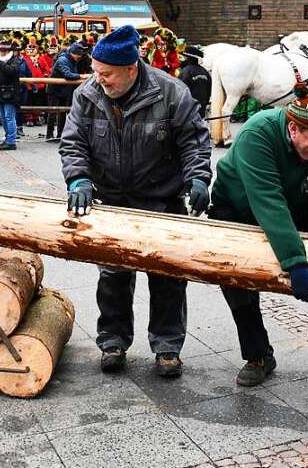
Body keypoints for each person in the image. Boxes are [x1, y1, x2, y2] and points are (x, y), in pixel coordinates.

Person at [59, 25, 211, 378]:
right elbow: (73, 142)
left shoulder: (171, 92)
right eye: (97, 73)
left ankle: (167, 346)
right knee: (112, 277)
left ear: (131, 69)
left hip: (161, 198)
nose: (100, 81)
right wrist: (78, 177)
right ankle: (112, 341)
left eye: (107, 74)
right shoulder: (87, 94)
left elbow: (194, 141)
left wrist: (199, 178)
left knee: (167, 278)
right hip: (111, 199)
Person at [208, 86, 308, 394]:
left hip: (296, 205)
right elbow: (267, 200)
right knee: (237, 281)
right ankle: (258, 355)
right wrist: (295, 264)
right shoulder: (257, 134)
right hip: (239, 206)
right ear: (294, 129)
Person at [47, 42, 84, 143]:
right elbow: (68, 74)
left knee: (62, 112)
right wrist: (81, 76)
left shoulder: (71, 60)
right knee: (53, 112)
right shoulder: (63, 60)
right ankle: (49, 135)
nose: (79, 57)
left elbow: (72, 73)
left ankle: (60, 134)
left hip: (64, 90)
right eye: (78, 55)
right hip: (55, 90)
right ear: (73, 53)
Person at [0, 41, 21, 150]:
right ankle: (8, 138)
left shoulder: (15, 60)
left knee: (9, 117)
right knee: (2, 117)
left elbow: (12, 71)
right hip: (0, 94)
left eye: (4, 50)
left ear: (9, 51)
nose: (2, 52)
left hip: (10, 93)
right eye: (0, 50)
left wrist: (0, 63)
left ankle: (11, 141)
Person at [178, 45, 211, 118]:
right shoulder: (205, 72)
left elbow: (179, 92)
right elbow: (209, 91)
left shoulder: (185, 71)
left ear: (188, 58)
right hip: (201, 111)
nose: (181, 59)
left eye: (183, 57)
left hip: (188, 112)